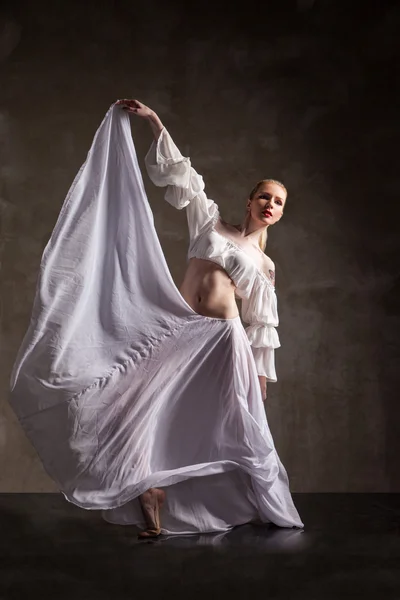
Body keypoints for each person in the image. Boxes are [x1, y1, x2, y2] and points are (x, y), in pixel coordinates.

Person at [9, 99, 303, 538]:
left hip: (225, 343)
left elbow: (261, 325)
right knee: (134, 404)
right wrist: (153, 121)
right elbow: (183, 176)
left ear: (279, 213)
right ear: (250, 199)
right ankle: (150, 489)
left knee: (236, 426)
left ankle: (268, 505)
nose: (270, 205)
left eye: (278, 203)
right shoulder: (210, 225)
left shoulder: (265, 265)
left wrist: (259, 375)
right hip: (187, 333)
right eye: (265, 196)